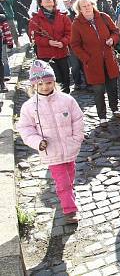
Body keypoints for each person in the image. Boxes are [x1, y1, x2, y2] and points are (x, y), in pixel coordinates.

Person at [16, 60, 84, 224]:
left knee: (70, 176)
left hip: (70, 148)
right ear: (33, 86)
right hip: (51, 152)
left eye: (48, 82)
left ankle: (68, 194)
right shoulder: (29, 107)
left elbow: (78, 119)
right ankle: (69, 211)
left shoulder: (67, 100)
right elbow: (25, 129)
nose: (45, 87)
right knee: (63, 182)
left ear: (54, 81)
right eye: (40, 84)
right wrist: (38, 142)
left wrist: (76, 139)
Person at [70, 0, 120, 124]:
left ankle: (114, 108)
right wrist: (86, 58)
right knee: (98, 90)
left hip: (109, 59)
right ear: (79, 10)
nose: (87, 8)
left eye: (89, 5)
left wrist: (112, 40)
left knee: (113, 87)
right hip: (93, 63)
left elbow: (115, 31)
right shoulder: (76, 24)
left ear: (93, 5)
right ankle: (102, 116)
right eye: (84, 7)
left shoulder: (103, 17)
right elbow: (75, 45)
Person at [29, 0, 72, 93]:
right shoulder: (35, 19)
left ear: (54, 1)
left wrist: (63, 42)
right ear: (40, 3)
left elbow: (69, 33)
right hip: (46, 55)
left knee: (65, 78)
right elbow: (34, 37)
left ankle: (66, 100)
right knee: (53, 78)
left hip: (61, 52)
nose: (48, 0)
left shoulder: (63, 17)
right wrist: (48, 42)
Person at [0, 5, 13, 91]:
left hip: (1, 40)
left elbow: (6, 30)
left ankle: (2, 83)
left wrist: (9, 41)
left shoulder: (1, 18)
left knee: (2, 60)